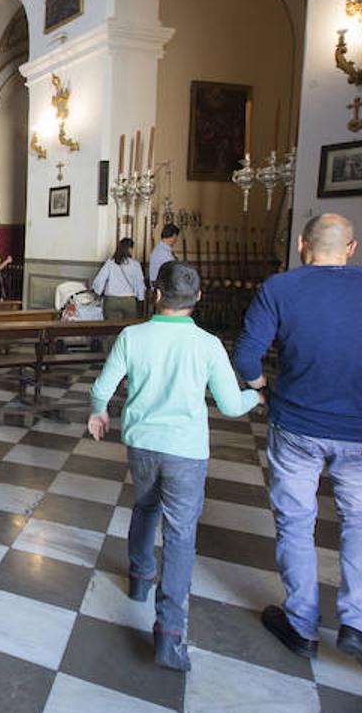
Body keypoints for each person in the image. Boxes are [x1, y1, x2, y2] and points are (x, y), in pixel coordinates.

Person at [234, 213, 362, 673]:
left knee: (297, 522)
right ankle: (359, 625)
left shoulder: (281, 288)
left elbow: (245, 356)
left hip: (297, 424)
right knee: (361, 525)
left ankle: (301, 624)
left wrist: (263, 390)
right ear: (352, 248)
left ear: (302, 244)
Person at [87, 261, 263, 671]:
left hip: (143, 444)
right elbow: (231, 405)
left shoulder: (133, 336)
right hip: (186, 450)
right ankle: (169, 631)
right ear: (199, 298)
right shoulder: (208, 344)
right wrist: (258, 399)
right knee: (182, 535)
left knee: (145, 506)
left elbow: (102, 388)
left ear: (157, 294)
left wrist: (99, 411)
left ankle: (139, 578)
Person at [92, 237, 146, 320]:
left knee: (112, 328)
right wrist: (141, 299)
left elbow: (100, 279)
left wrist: (97, 292)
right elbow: (140, 284)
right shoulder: (135, 265)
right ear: (130, 249)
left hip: (112, 301)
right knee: (128, 327)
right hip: (129, 301)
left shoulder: (110, 263)